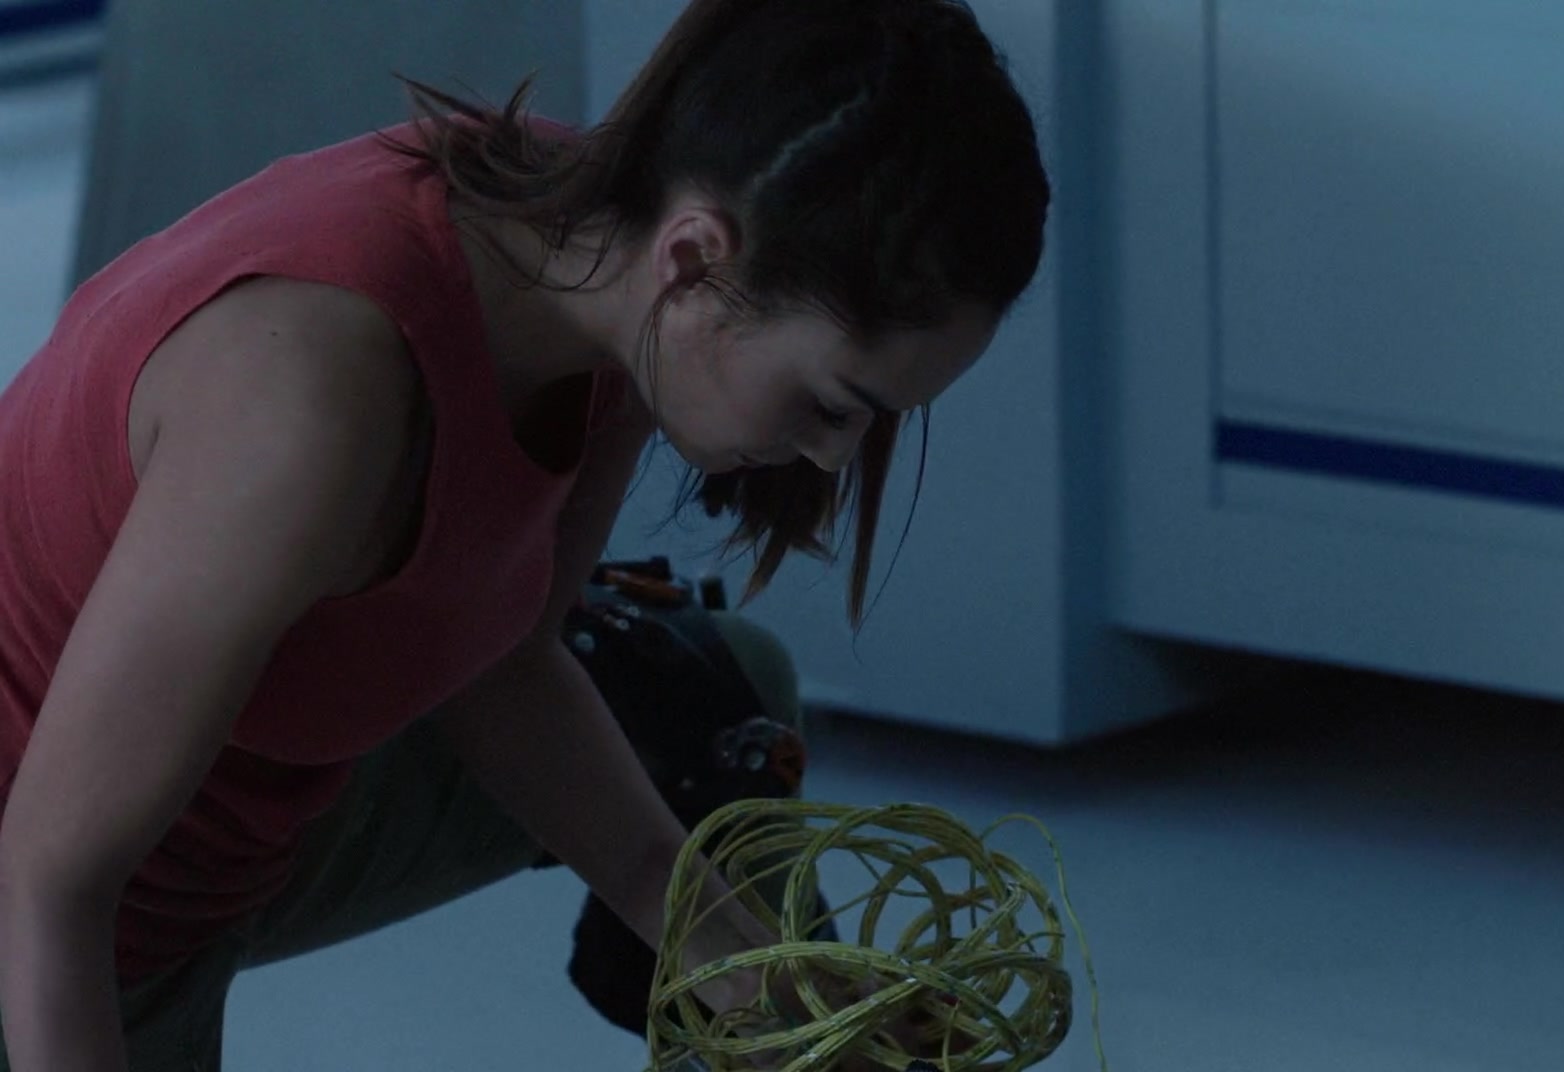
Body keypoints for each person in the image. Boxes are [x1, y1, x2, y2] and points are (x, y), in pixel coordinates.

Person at [0, 0, 1051, 1067]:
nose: (832, 458)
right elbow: (48, 879)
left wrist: (731, 953)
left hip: (229, 826)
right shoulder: (307, 403)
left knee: (715, 707)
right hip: (51, 902)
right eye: (832, 404)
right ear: (695, 261)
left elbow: (500, 655)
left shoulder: (604, 260)